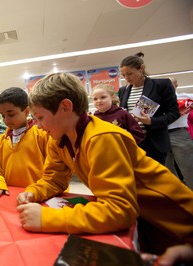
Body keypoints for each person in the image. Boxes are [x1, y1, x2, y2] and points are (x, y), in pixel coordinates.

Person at [16, 72, 193, 255]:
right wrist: (34, 191)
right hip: (147, 227)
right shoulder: (58, 140)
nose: (37, 126)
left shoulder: (103, 138)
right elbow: (54, 179)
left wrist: (47, 218)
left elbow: (120, 210)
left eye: (40, 118)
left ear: (65, 107)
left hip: (179, 224)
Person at [0, 87, 50, 200]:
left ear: (26, 111)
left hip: (38, 196)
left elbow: (54, 170)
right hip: (8, 195)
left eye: (11, 114)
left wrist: (40, 192)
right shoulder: (1, 140)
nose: (6, 120)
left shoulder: (42, 135)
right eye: (3, 115)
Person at [118, 52, 180, 165]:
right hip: (132, 142)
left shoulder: (162, 85)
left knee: (157, 180)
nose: (126, 78)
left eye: (129, 74)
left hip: (154, 142)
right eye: (123, 75)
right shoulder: (123, 91)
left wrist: (152, 121)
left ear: (141, 68)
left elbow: (174, 113)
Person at [165, 77, 193, 189]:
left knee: (188, 167)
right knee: (167, 170)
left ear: (176, 86)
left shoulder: (186, 97)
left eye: (171, 84)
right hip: (161, 135)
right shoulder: (157, 100)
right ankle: (177, 197)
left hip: (180, 133)